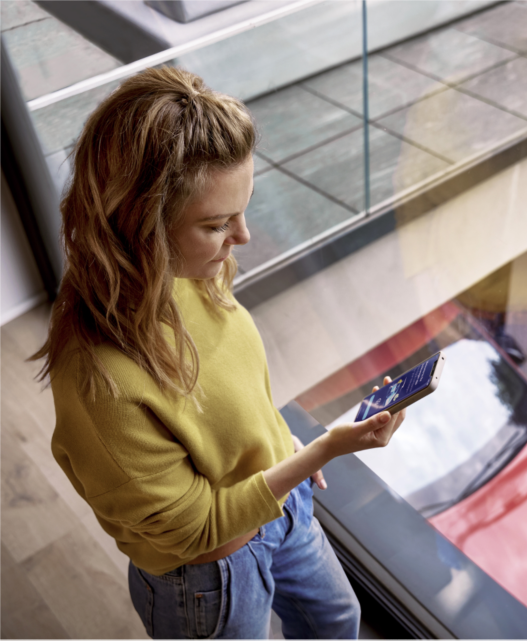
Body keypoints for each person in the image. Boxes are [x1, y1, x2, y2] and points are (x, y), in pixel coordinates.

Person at [30, 66, 405, 640]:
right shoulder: (99, 379)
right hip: (212, 572)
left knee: (337, 621)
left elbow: (222, 391)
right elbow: (194, 531)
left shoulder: (193, 270)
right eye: (216, 223)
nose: (244, 238)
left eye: (243, 209)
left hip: (282, 502)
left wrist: (284, 451)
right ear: (140, 225)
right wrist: (322, 453)